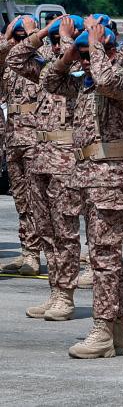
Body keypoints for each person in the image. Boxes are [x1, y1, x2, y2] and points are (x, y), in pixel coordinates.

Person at [42, 16, 123, 358]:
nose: (85, 58)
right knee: (105, 257)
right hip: (87, 176)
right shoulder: (84, 85)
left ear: (111, 50)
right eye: (82, 54)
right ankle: (117, 330)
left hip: (109, 177)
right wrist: (70, 54)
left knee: (104, 257)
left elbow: (107, 78)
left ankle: (103, 329)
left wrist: (95, 45)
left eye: (92, 52)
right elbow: (50, 80)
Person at [10, 15, 83, 321]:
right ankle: (55, 291)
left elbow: (67, 67)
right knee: (46, 230)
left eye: (60, 40)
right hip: (39, 155)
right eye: (54, 41)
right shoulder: (42, 70)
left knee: (65, 230)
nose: (56, 46)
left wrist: (70, 40)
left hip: (66, 159)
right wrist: (41, 32)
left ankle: (66, 295)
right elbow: (14, 57)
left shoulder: (83, 71)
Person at [0, 16, 44, 275]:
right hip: (14, 138)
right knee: (22, 200)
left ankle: (45, 253)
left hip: (37, 139)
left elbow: (50, 53)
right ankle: (29, 253)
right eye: (18, 39)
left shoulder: (45, 61)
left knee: (40, 200)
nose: (21, 43)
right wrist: (7, 36)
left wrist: (34, 35)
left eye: (23, 38)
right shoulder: (7, 64)